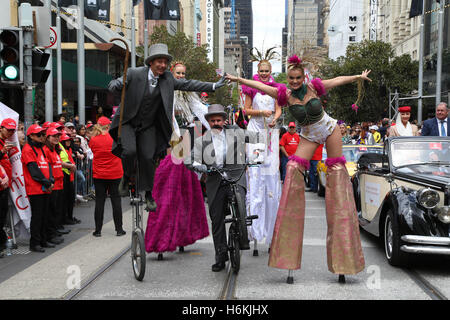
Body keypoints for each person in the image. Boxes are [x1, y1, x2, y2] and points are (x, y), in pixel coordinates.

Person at [226, 54, 368, 282]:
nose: (293, 81)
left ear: (303, 76)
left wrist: (358, 77)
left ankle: (345, 257)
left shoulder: (314, 87)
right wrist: (237, 79)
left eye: (297, 77)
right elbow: (258, 85)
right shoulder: (284, 94)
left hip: (329, 130)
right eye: (290, 78)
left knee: (338, 179)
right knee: (291, 172)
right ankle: (286, 254)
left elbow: (339, 79)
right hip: (308, 136)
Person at [107, 43, 226, 212]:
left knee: (148, 157)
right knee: (130, 152)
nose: (162, 65)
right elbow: (117, 82)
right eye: (159, 62)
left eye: (165, 62)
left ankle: (148, 194)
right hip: (128, 123)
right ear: (151, 62)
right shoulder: (134, 73)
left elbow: (190, 84)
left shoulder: (168, 79)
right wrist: (114, 85)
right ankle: (126, 178)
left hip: (149, 126)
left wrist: (213, 86)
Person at [144, 61, 210, 259]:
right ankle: (162, 238)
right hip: (171, 145)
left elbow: (204, 114)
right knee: (168, 193)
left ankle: (182, 235)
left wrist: (220, 126)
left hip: (188, 145)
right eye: (178, 73)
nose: (181, 76)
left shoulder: (190, 95)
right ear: (172, 74)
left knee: (187, 195)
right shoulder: (165, 92)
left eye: (183, 73)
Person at [185, 104, 253, 272]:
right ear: (208, 122)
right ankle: (220, 256)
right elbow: (189, 159)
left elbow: (254, 139)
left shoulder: (234, 132)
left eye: (219, 120)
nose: (216, 123)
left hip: (236, 173)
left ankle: (241, 229)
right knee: (217, 219)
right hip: (215, 178)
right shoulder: (203, 140)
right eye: (213, 120)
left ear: (224, 120)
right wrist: (199, 167)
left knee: (240, 200)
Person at [241, 56, 282, 253]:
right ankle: (254, 231)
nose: (264, 74)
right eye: (261, 71)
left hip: (270, 134)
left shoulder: (276, 89)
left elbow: (279, 109)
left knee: (271, 180)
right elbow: (246, 110)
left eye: (267, 71)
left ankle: (272, 230)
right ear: (258, 71)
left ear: (271, 70)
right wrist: (261, 114)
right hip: (256, 134)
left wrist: (274, 118)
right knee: (256, 180)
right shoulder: (252, 87)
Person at [88, 117, 125, 237]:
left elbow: (93, 152)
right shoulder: (115, 139)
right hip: (115, 173)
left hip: (99, 174)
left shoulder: (93, 140)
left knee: (99, 201)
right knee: (116, 200)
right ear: (109, 126)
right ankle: (119, 229)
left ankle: (98, 230)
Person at [21, 124, 54, 252]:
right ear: (31, 136)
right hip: (35, 188)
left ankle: (43, 240)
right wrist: (46, 182)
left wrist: (50, 180)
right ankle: (35, 243)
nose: (42, 137)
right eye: (39, 135)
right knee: (37, 216)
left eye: (43, 134)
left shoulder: (42, 148)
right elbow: (33, 170)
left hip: (45, 186)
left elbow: (48, 165)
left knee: (45, 215)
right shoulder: (28, 149)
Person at [43, 127, 66, 245]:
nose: (57, 138)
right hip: (53, 184)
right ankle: (51, 235)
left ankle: (54, 232)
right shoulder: (46, 150)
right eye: (54, 136)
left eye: (58, 136)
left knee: (56, 209)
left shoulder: (53, 149)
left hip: (58, 183)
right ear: (47, 137)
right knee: (51, 211)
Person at [0, 118, 16, 255]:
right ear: (1, 128)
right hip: (1, 185)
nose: (10, 132)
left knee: (2, 215)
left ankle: (3, 243)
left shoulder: (5, 142)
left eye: (12, 130)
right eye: (8, 129)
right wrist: (2, 151)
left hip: (5, 185)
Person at [59, 132, 81, 225]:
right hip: (64, 175)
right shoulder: (61, 149)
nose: (68, 142)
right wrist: (70, 165)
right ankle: (66, 218)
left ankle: (70, 217)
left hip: (69, 175)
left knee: (70, 199)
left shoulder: (68, 149)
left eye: (69, 140)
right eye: (66, 141)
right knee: (65, 199)